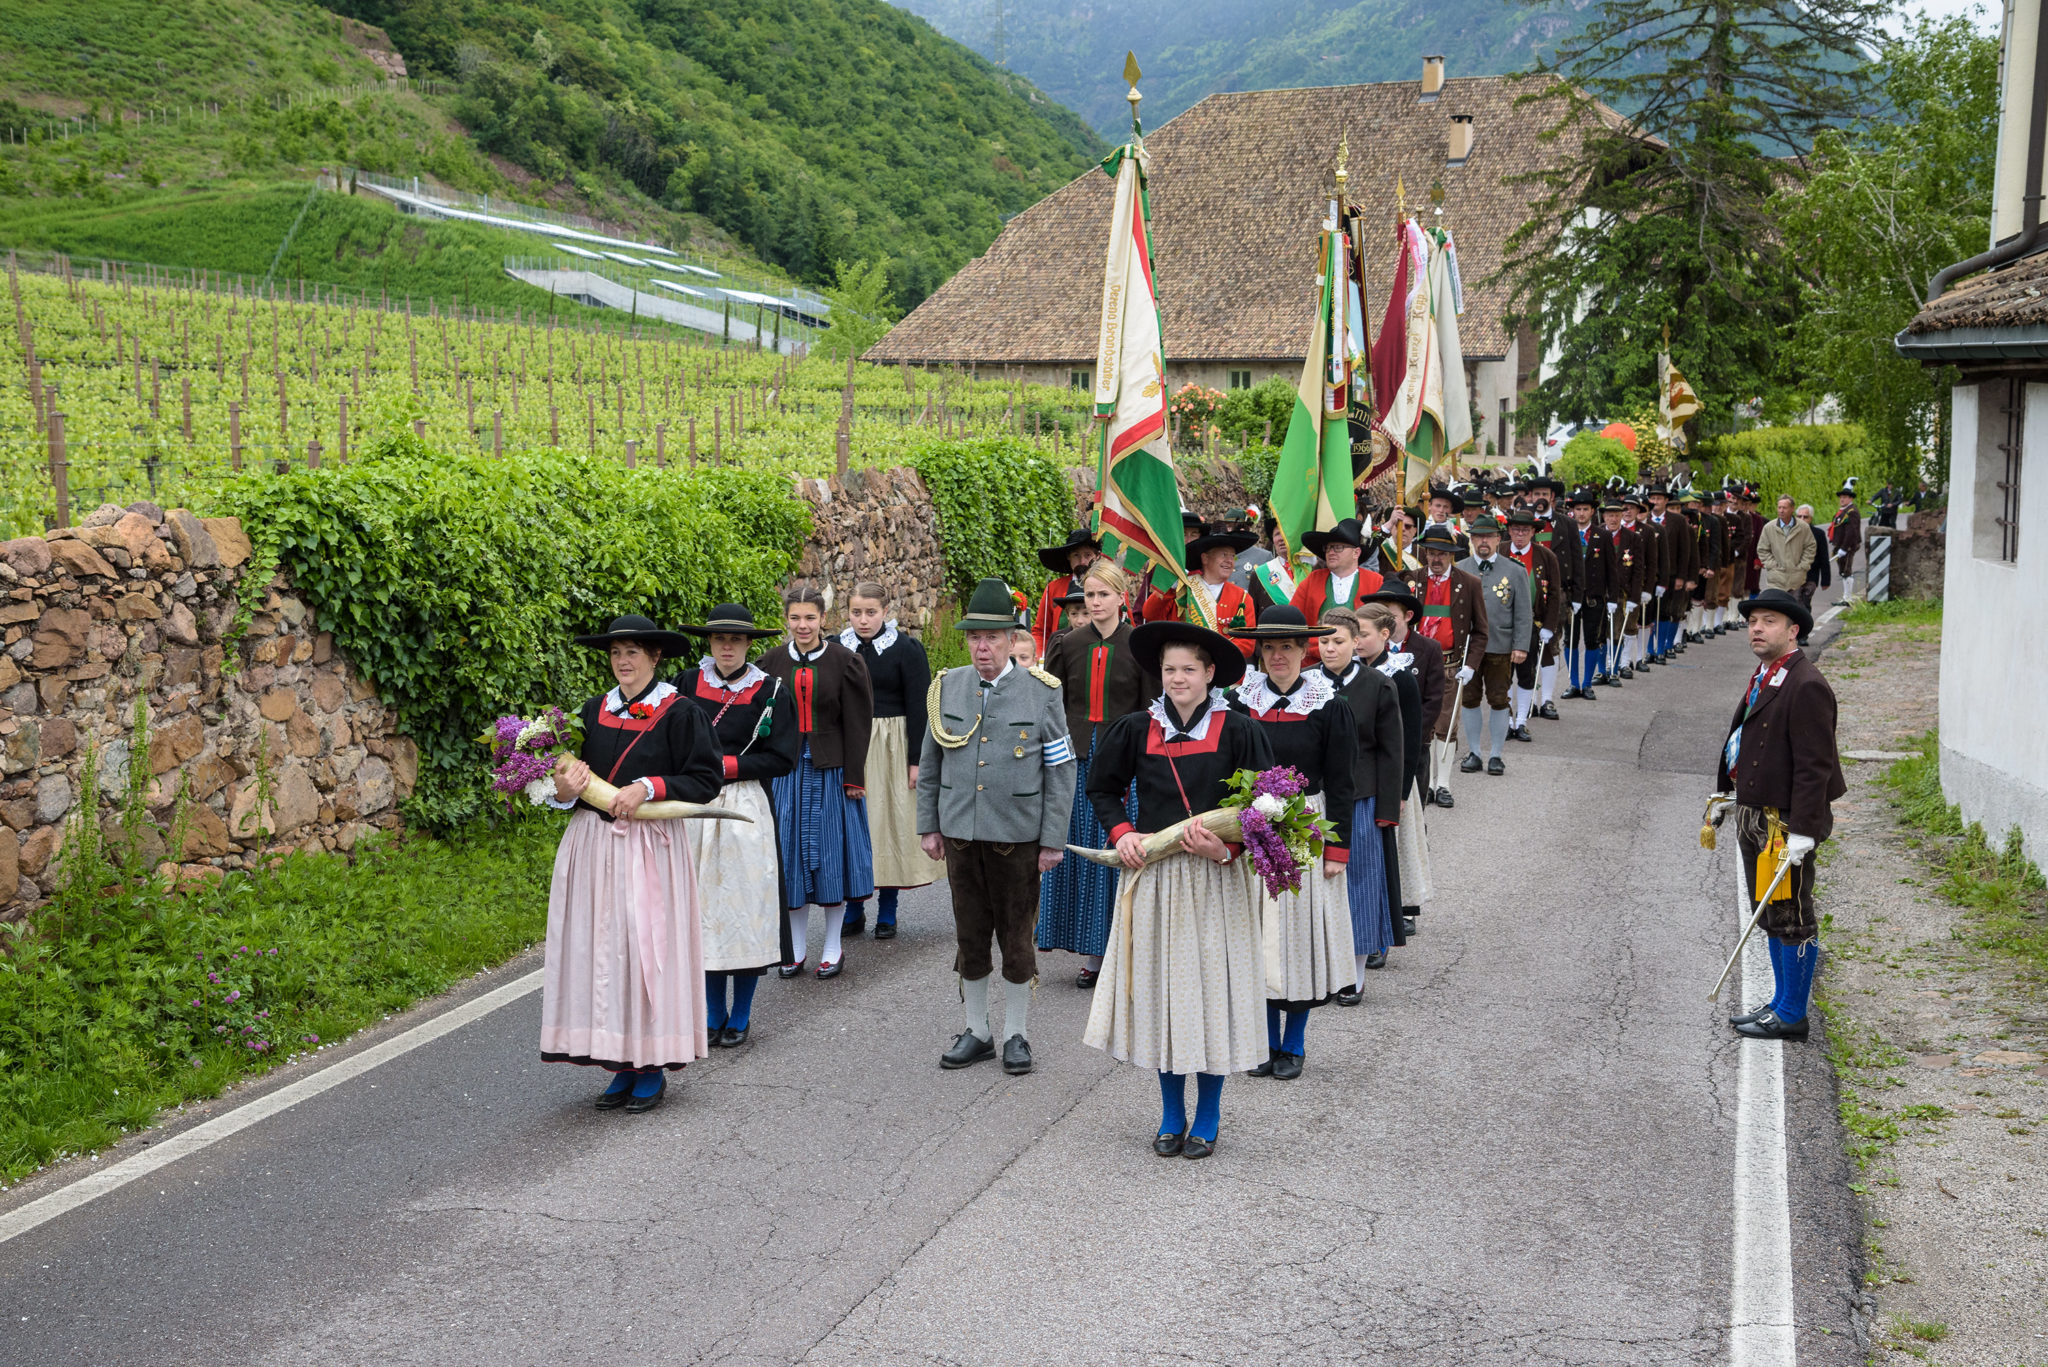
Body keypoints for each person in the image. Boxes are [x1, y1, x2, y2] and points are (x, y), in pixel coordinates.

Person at [1081, 620, 1274, 1160]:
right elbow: (1102, 788)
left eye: (1189, 669)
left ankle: (1208, 1116)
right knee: (1166, 995)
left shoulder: (1238, 730)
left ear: (1211, 673)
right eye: (1170, 670)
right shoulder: (1136, 728)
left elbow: (1267, 808)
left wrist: (1227, 850)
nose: (1179, 678)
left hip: (1215, 879)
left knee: (1211, 995)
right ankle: (1171, 1114)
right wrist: (1122, 835)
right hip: (1156, 878)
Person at [543, 615, 723, 1113]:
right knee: (603, 952)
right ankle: (619, 1062)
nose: (623, 662)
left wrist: (649, 786)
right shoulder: (591, 711)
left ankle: (650, 1065)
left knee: (644, 952)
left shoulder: (680, 712)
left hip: (650, 847)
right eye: (616, 653)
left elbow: (705, 780)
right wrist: (565, 789)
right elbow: (565, 792)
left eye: (633, 653)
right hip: (592, 846)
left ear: (655, 657)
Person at [918, 578, 1077, 1076]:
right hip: (961, 832)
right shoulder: (948, 685)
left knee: (1015, 938)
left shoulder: (1041, 693)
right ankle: (977, 1031)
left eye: (991, 637)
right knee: (970, 936)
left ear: (1012, 638)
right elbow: (931, 763)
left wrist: (1052, 840)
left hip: (1017, 836)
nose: (981, 647)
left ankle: (1016, 1034)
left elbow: (1060, 768)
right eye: (973, 638)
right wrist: (929, 825)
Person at [1225, 605, 1356, 1077]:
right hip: (1250, 825)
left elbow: (1343, 782)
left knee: (1295, 937)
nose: (1277, 656)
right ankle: (1262, 1040)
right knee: (1255, 934)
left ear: (1306, 650)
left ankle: (1293, 1043)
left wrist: (1337, 851)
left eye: (1287, 646)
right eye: (1269, 647)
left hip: (1305, 827)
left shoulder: (1329, 704)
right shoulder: (1239, 702)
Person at [1711, 588, 1846, 1041]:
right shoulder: (1767, 674)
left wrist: (1804, 831)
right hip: (1758, 814)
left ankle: (1792, 1014)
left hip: (1785, 823)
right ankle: (1779, 1003)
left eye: (1768, 621)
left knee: (1792, 917)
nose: (1756, 628)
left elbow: (1815, 766)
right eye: (1752, 621)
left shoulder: (1806, 683)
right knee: (1769, 913)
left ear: (1793, 631)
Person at [677, 604, 800, 1048]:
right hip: (694, 804)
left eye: (736, 640)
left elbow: (782, 758)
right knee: (702, 909)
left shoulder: (771, 691)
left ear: (749, 644)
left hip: (744, 804)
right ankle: (712, 1014)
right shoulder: (687, 685)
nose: (727, 647)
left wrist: (729, 765)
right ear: (709, 643)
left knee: (744, 910)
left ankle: (741, 1014)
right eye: (719, 639)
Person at [1038, 560, 1158, 988]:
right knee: (1083, 855)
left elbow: (1149, 711)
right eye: (1089, 595)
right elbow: (1052, 706)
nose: (1095, 602)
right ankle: (1091, 951)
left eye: (1102, 594)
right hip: (1075, 760)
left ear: (1121, 597)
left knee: (1117, 855)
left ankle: (1120, 948)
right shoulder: (1068, 644)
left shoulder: (1139, 645)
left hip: (1123, 766)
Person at [762, 585, 875, 979]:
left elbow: (860, 724)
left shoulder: (846, 662)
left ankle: (832, 945)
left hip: (832, 771)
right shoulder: (769, 663)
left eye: (810, 617)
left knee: (831, 857)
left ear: (823, 619)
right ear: (786, 620)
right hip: (785, 773)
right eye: (795, 618)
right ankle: (792, 947)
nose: (803, 625)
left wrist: (855, 776)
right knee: (789, 857)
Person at [838, 584, 934, 942]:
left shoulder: (906, 649)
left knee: (889, 824)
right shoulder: (836, 646)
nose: (863, 620)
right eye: (856, 612)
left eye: (871, 612)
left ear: (886, 610)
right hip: (852, 744)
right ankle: (853, 907)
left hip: (892, 744)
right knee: (855, 825)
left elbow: (920, 706)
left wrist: (916, 762)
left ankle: (888, 909)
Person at [1318, 604, 1407, 983]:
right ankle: (1322, 970)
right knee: (1318, 885)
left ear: (1356, 643)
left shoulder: (1378, 685)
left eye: (1338, 641)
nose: (1330, 649)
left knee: (1360, 884)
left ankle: (1354, 977)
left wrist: (1388, 807)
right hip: (1317, 799)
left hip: (1363, 797)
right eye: (1323, 641)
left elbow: (1392, 750)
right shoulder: (1307, 685)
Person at [1404, 524, 1487, 807]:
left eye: (1442, 553)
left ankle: (1443, 784)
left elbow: (1481, 630)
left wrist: (1472, 665)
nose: (1436, 559)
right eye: (1431, 553)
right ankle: (1423, 783)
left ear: (1451, 555)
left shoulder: (1470, 583)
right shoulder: (1412, 581)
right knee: (1419, 724)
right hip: (1414, 665)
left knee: (1445, 726)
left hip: (1451, 665)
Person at [1454, 515, 1531, 777]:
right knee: (1470, 699)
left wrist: (1520, 645)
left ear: (1499, 539)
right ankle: (1474, 752)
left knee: (1499, 700)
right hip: (1468, 649)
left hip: (1501, 645)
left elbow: (1523, 612)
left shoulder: (1515, 571)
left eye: (1488, 537)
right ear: (1471, 540)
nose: (1483, 541)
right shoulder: (1460, 569)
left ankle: (1496, 754)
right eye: (1477, 537)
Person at [1142, 522, 1259, 654]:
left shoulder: (1242, 598)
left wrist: (1212, 655)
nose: (1229, 561)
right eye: (1223, 555)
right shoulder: (1182, 589)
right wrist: (1170, 588)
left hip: (1222, 669)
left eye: (1232, 556)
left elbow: (1247, 644)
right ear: (1205, 558)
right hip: (1183, 665)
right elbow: (1150, 614)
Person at [1290, 517, 1384, 665]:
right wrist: (1321, 647)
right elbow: (1293, 624)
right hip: (1315, 664)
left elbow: (1383, 627)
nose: (1331, 552)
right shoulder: (1312, 580)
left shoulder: (1375, 582)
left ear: (1356, 553)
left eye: (1338, 547)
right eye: (1328, 548)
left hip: (1363, 664)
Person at [1501, 508, 1562, 740]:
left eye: (1525, 530)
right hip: (1503, 625)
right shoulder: (1500, 552)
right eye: (1515, 529)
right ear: (1509, 530)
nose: (1520, 534)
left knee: (1527, 674)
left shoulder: (1546, 557)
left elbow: (1555, 593)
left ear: (1533, 532)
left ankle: (1521, 721)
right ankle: (1505, 720)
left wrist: (1549, 625)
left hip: (1533, 625)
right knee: (1503, 674)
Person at [1559, 487, 1616, 701]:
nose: (1581, 513)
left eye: (1585, 509)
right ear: (1572, 511)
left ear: (1593, 511)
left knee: (1592, 640)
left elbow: (1612, 568)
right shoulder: (1565, 534)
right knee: (1570, 640)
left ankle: (1587, 684)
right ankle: (1573, 683)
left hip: (1594, 596)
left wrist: (1613, 598)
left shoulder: (1603, 535)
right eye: (1577, 509)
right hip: (1571, 595)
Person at [1032, 529, 1101, 660]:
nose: (1082, 561)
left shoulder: (1110, 587)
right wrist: (1040, 657)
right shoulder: (1054, 588)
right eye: (1076, 555)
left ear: (1096, 556)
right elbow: (1041, 631)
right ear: (1068, 557)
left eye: (1087, 555)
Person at [1757, 495, 1816, 592]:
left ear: (1792, 509)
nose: (1781, 510)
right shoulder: (1769, 527)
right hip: (1775, 580)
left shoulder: (1803, 527)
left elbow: (1810, 547)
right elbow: (1762, 549)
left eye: (1784, 508)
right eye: (1779, 507)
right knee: (1776, 606)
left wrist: (1803, 566)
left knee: (1794, 605)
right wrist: (1772, 566)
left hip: (1797, 579)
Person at [1795, 505, 1831, 646]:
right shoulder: (1791, 532)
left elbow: (1824, 558)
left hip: (1811, 576)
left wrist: (1825, 580)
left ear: (1811, 518)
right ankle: (1793, 633)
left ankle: (1803, 634)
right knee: (1794, 602)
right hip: (1793, 576)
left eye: (1806, 517)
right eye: (1800, 516)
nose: (1803, 519)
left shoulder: (1818, 534)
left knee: (1804, 602)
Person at [1830, 482, 1862, 598]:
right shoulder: (1844, 510)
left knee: (1846, 570)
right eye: (1841, 497)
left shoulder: (1852, 512)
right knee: (1843, 571)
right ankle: (1846, 596)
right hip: (1840, 545)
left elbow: (1851, 532)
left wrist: (1844, 548)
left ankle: (1847, 597)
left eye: (1845, 497)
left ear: (1850, 498)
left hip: (1848, 546)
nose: (1842, 499)